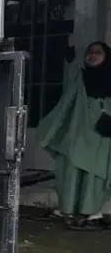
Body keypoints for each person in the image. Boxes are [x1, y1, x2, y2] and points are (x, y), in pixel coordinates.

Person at [37, 40, 111, 230]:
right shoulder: (79, 76)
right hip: (76, 136)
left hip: (101, 138)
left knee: (95, 176)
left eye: (98, 52)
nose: (93, 55)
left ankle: (92, 214)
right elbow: (66, 104)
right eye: (90, 52)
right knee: (71, 173)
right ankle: (69, 212)